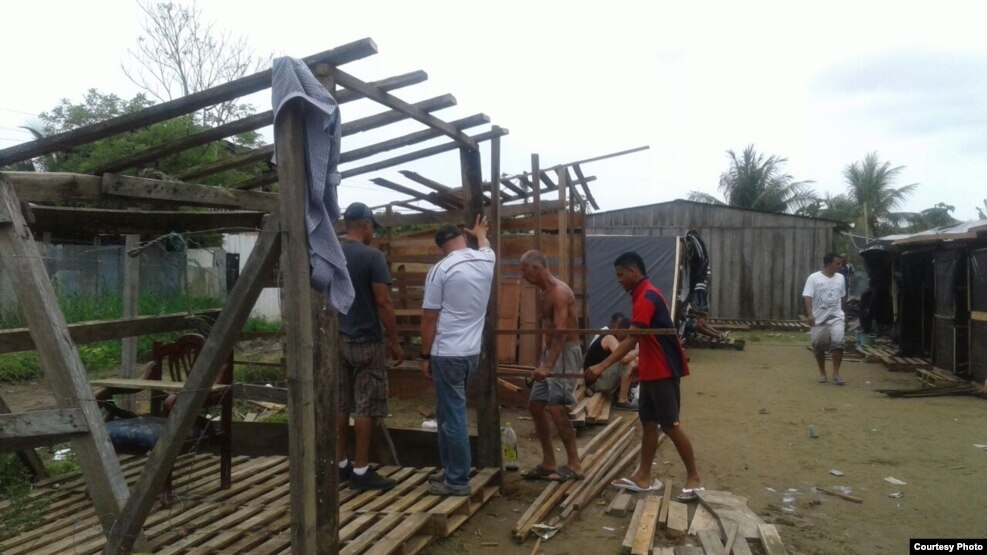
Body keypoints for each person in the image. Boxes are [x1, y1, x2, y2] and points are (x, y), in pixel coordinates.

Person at [586, 251, 703, 501]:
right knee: (648, 423)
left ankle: (694, 479)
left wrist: (601, 366)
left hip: (663, 370)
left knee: (670, 425)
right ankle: (643, 476)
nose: (618, 280)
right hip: (651, 370)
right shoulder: (641, 295)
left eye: (620, 275)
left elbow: (631, 340)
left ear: (633, 272)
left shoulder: (647, 297)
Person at [420, 215, 495, 496]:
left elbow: (429, 318)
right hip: (471, 354)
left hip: (446, 353)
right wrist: (480, 234)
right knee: (447, 413)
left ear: (441, 246)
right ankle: (451, 470)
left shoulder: (441, 270)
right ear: (463, 239)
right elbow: (486, 244)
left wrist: (424, 356)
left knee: (453, 416)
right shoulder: (487, 260)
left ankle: (458, 481)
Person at [337, 202, 404, 491]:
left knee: (340, 403)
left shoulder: (333, 252)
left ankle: (340, 464)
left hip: (338, 339)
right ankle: (361, 470)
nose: (373, 232)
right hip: (367, 341)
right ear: (365, 225)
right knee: (366, 405)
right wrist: (395, 341)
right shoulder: (372, 257)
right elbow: (383, 301)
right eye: (372, 227)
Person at [519, 250, 585, 481]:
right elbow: (546, 331)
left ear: (537, 268)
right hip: (551, 352)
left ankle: (575, 465)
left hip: (566, 353)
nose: (523, 276)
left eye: (524, 270)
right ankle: (548, 462)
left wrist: (548, 366)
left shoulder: (559, 293)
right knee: (536, 406)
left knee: (556, 408)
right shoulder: (542, 293)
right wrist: (542, 358)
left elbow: (561, 333)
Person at [803, 253, 847, 385]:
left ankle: (836, 373)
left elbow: (842, 296)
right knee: (818, 345)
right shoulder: (814, 278)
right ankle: (822, 372)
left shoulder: (840, 278)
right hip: (819, 318)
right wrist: (810, 315)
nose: (840, 266)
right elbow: (808, 297)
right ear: (828, 264)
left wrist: (843, 312)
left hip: (836, 316)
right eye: (837, 264)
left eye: (840, 264)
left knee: (838, 343)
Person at [583, 315, 639, 410]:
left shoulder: (614, 338)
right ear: (622, 331)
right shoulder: (609, 338)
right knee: (631, 362)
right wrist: (638, 350)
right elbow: (624, 358)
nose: (627, 340)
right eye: (627, 336)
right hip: (596, 382)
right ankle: (622, 400)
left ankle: (621, 394)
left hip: (599, 380)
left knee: (633, 360)